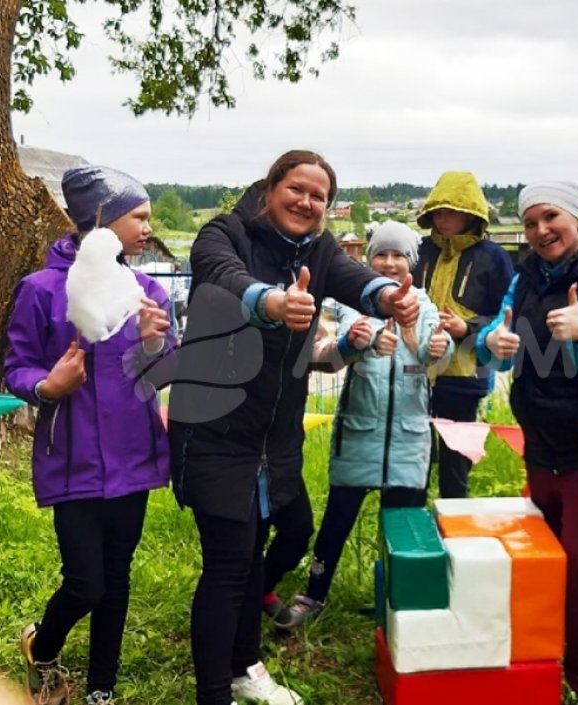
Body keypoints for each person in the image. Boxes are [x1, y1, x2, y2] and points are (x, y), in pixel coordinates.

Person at [167, 150, 419, 705]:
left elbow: (356, 279)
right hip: (215, 431)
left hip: (273, 438)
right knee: (230, 565)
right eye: (297, 188)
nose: (306, 202)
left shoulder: (321, 250)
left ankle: (243, 663)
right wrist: (272, 302)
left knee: (282, 536)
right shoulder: (224, 233)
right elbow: (222, 278)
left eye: (319, 196)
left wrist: (386, 298)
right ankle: (218, 690)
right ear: (271, 186)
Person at [5, 165, 174, 705]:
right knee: (87, 583)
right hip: (71, 460)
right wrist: (49, 386)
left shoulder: (146, 291)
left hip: (133, 459)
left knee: (117, 578)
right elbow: (18, 368)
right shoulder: (40, 289)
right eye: (139, 216)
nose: (148, 227)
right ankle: (44, 643)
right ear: (100, 219)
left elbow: (163, 372)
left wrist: (152, 346)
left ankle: (102, 685)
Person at [478, 181, 578, 705]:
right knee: (545, 559)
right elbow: (499, 348)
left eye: (551, 217)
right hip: (542, 442)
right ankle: (540, 660)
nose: (541, 231)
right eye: (530, 223)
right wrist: (493, 343)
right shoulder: (525, 275)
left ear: (577, 218)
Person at [282, 221, 453, 627]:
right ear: (369, 258)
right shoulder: (350, 304)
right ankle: (314, 593)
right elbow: (336, 353)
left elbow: (435, 361)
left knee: (404, 528)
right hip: (358, 433)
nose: (389, 262)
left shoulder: (424, 307)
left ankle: (399, 602)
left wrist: (437, 349)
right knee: (336, 522)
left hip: (410, 440)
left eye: (398, 255)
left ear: (411, 262)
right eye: (381, 254)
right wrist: (359, 341)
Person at [414, 171, 513, 498]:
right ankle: (414, 536)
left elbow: (506, 315)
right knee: (415, 458)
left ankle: (453, 533)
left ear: (471, 214)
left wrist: (468, 329)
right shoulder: (422, 251)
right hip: (416, 373)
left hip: (464, 376)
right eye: (438, 212)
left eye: (452, 212)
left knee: (455, 465)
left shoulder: (494, 258)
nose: (443, 220)